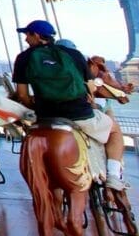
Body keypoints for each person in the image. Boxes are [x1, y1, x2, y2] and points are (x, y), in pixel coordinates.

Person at [13, 20, 128, 191]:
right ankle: (113, 176)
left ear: (36, 35)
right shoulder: (73, 54)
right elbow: (90, 87)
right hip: (79, 114)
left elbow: (22, 95)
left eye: (27, 35)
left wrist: (38, 108)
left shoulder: (23, 58)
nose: (26, 40)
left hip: (45, 117)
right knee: (115, 131)